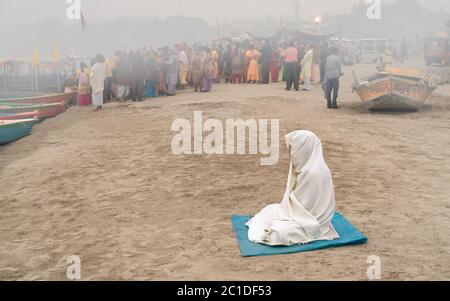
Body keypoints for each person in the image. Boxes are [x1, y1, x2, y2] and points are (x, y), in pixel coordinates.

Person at [246, 130, 339, 246]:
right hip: (302, 214)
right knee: (269, 210)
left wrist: (286, 214)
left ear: (303, 148)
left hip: (312, 221)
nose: (291, 153)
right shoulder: (307, 166)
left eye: (294, 149)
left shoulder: (314, 173)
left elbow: (306, 207)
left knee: (278, 233)